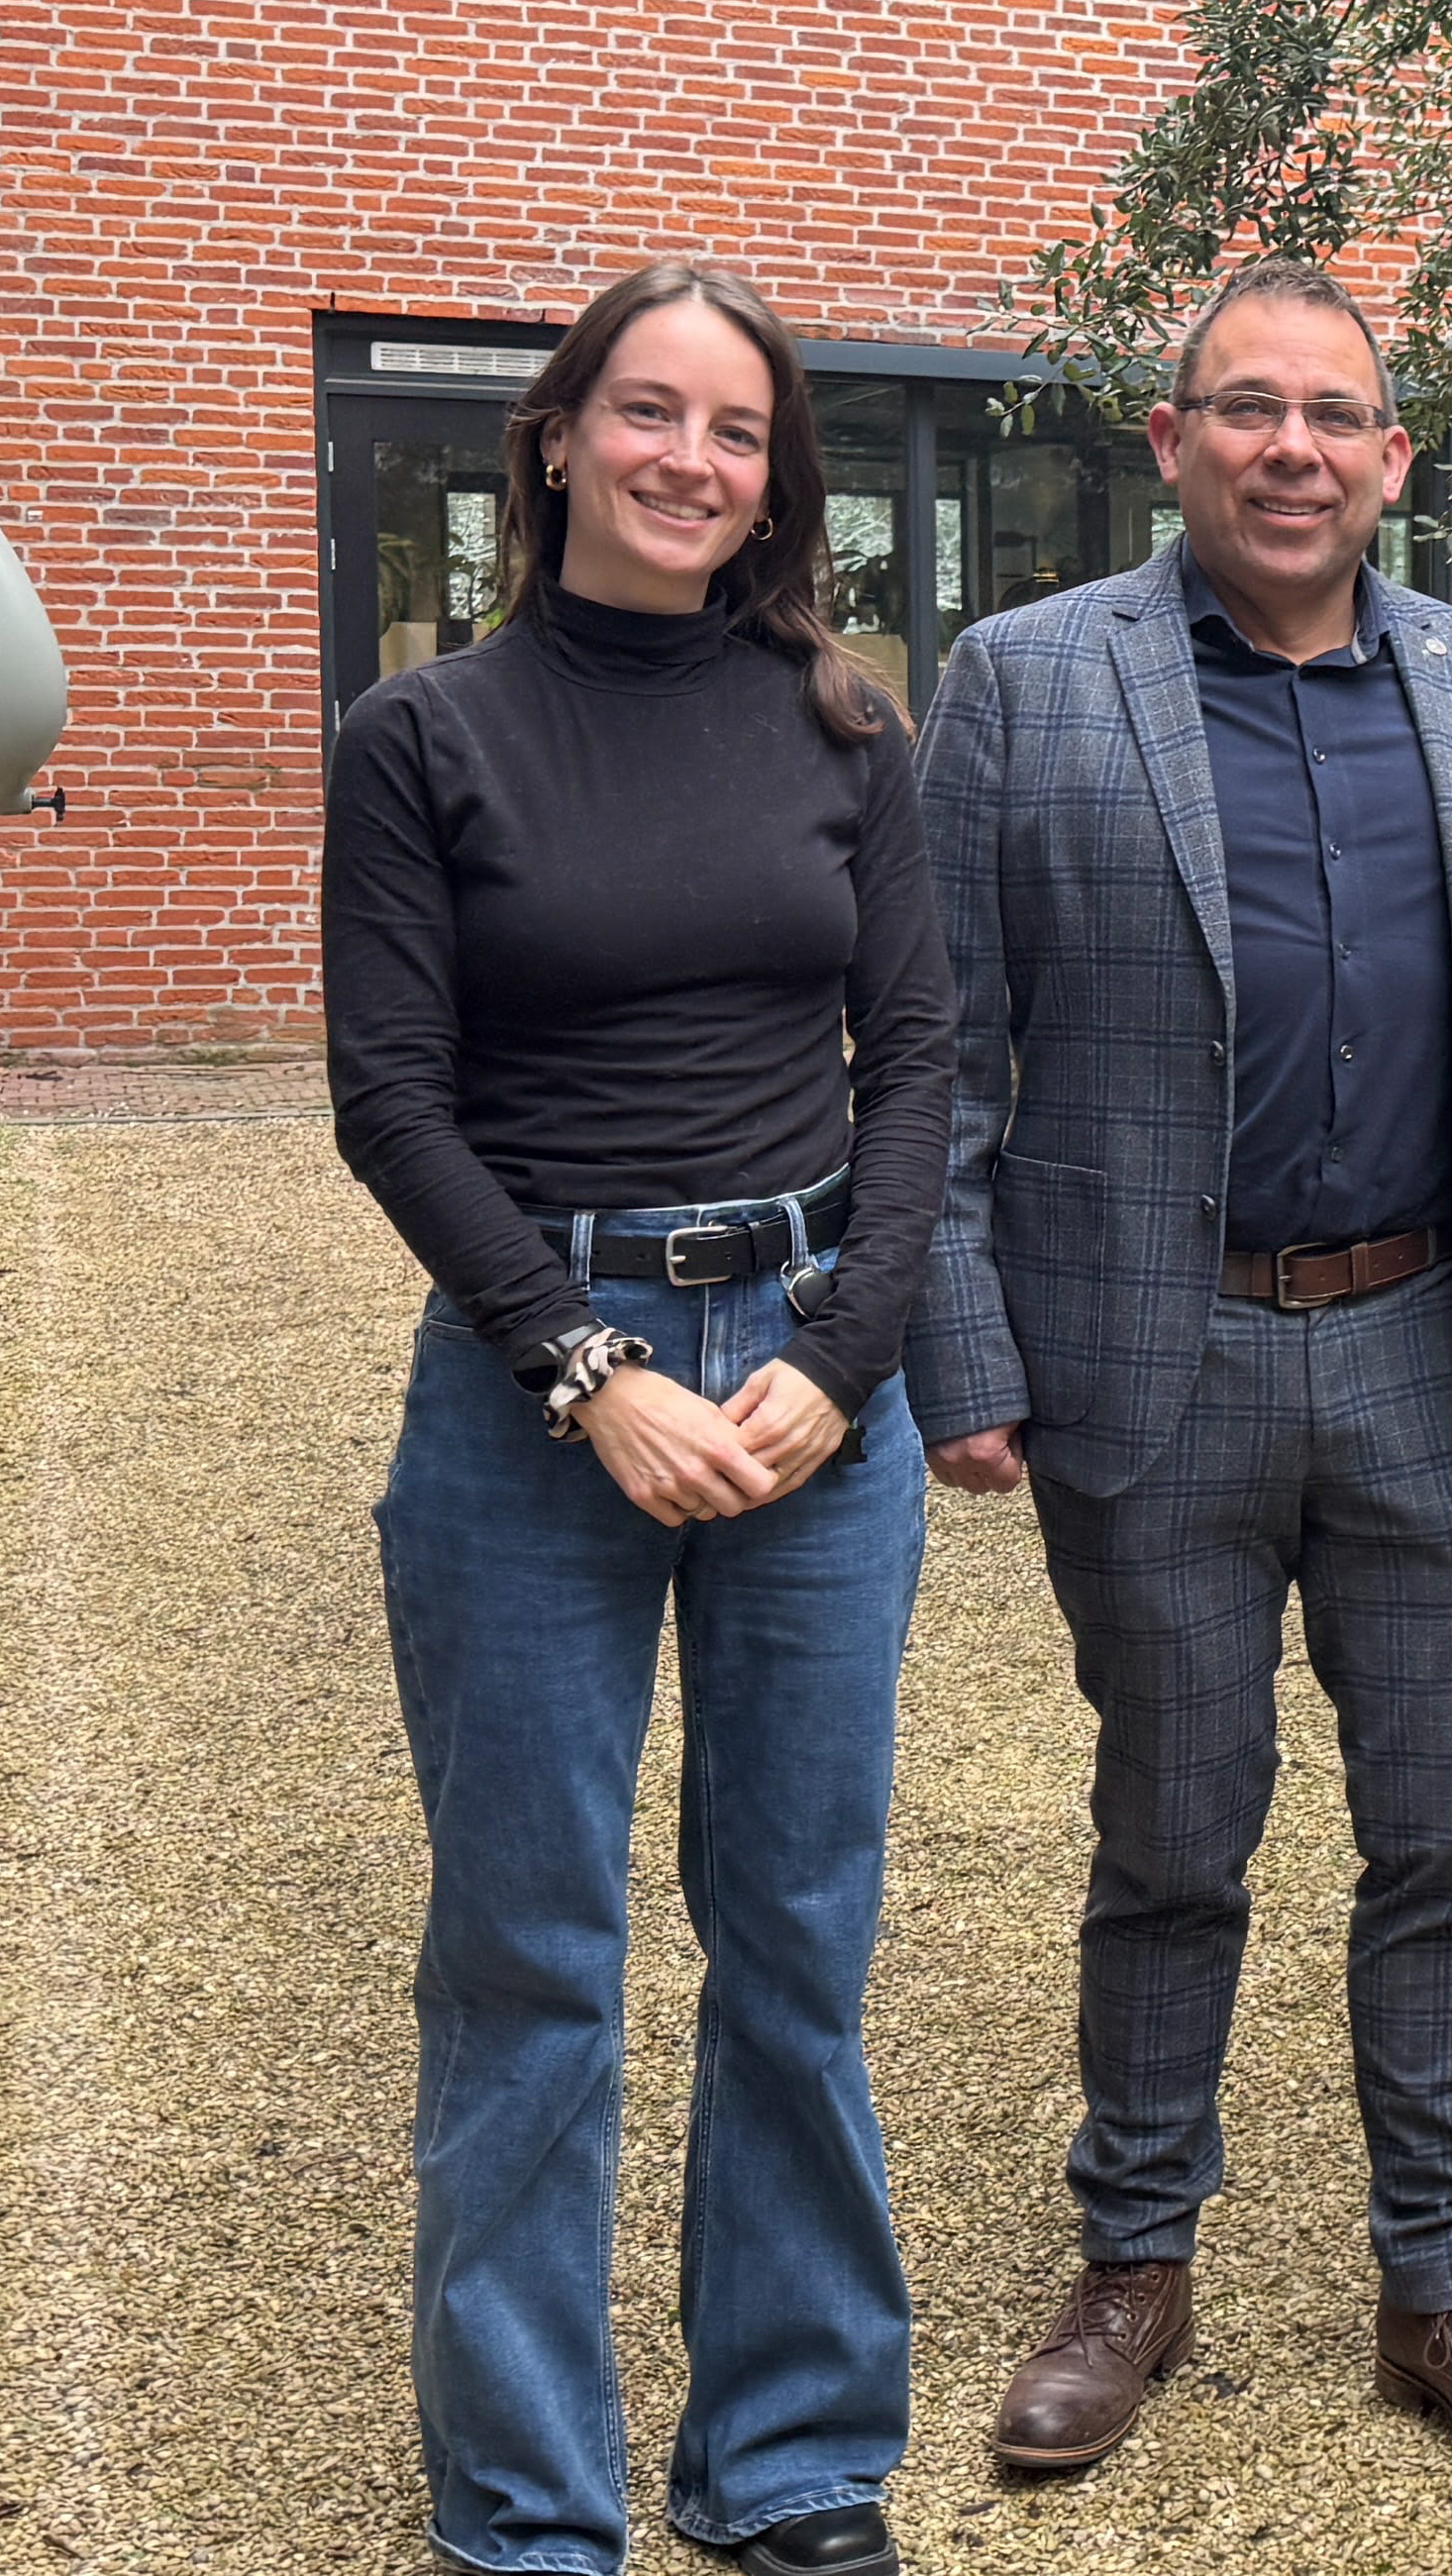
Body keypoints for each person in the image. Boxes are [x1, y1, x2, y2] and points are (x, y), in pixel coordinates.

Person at [903, 258, 1452, 2491]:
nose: (1293, 448)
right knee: (1171, 1839)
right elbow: (935, 1050)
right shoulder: (1024, 687)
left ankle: (1448, 2285)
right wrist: (961, 1348)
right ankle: (1135, 2257)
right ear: (1174, 438)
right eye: (1250, 409)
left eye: (1338, 415)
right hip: (1155, 1359)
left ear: (1397, 458)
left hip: (1432, 1349)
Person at [323, 258, 955, 2576]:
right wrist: (587, 1379)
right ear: (565, 433)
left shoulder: (847, 730)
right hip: (533, 1400)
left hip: (807, 1381)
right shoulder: (428, 740)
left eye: (739, 431)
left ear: (771, 477)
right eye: (654, 413)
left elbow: (921, 1083)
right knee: (529, 1959)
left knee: (795, 1938)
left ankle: (789, 2464)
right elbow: (390, 1102)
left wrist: (839, 1358)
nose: (697, 461)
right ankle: (526, 2506)